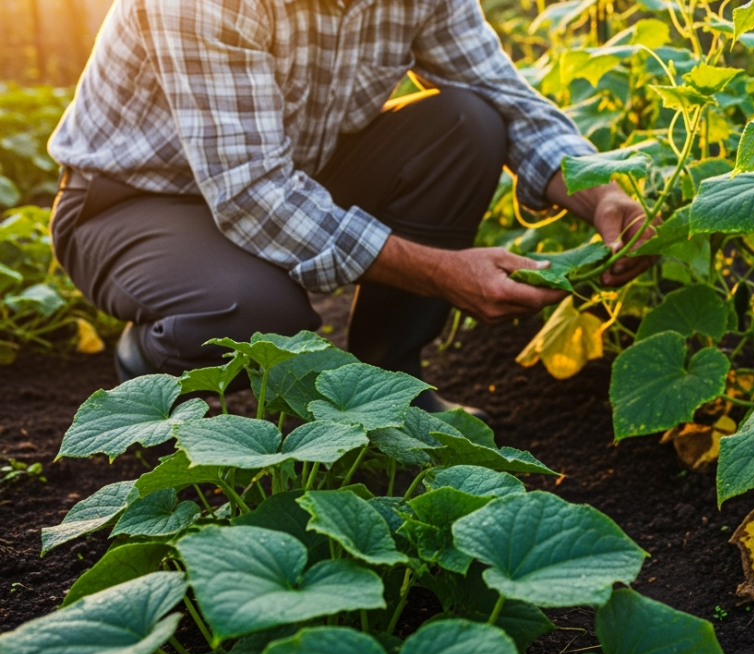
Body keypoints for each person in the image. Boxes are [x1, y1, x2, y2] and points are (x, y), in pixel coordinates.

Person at [47, 0, 652, 415]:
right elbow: (252, 191)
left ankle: (389, 380)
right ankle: (151, 362)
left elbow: (504, 95)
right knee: (257, 312)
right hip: (131, 202)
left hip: (292, 173)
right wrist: (444, 271)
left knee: (467, 121)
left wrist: (601, 189)